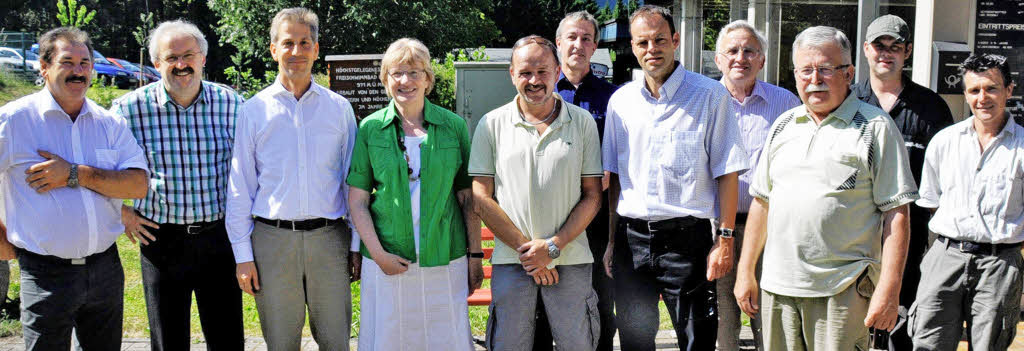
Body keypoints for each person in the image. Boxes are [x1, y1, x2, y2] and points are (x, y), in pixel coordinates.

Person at [733, 26, 918, 350]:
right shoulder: (784, 125)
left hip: (842, 292)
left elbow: (897, 215)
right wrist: (746, 271)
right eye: (806, 70)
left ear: (848, 73)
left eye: (825, 69)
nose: (814, 79)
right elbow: (762, 202)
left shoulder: (875, 127)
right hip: (779, 289)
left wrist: (889, 291)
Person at [602, 5, 748, 350]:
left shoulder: (710, 96)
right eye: (643, 42)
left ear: (676, 40)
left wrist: (724, 240)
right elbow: (616, 180)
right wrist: (611, 242)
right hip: (631, 239)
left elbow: (728, 172)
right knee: (635, 340)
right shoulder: (620, 102)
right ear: (633, 48)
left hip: (687, 241)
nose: (651, 49)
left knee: (696, 340)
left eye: (659, 40)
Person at [0, 27, 149, 350]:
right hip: (45, 273)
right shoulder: (14, 121)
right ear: (44, 67)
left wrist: (73, 174)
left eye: (85, 63)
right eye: (68, 62)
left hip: (105, 269)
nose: (79, 71)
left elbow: (138, 183)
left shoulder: (109, 123)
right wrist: (1, 238)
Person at [226, 7, 360, 350]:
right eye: (288, 43)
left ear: (316, 50)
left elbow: (352, 182)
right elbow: (241, 185)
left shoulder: (339, 108)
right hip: (272, 241)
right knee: (281, 343)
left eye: (304, 43)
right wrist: (243, 255)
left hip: (330, 240)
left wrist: (356, 245)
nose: (296, 52)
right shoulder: (253, 110)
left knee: (336, 341)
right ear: (273, 49)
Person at [111, 19, 246, 351]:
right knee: (168, 338)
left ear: (203, 58)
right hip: (161, 240)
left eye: (189, 55)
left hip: (219, 238)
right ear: (157, 63)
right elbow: (101, 168)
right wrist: (122, 212)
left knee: (227, 336)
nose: (181, 64)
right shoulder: (127, 110)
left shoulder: (232, 105)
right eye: (171, 57)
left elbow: (253, 168)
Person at [347, 37, 483, 351]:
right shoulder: (369, 129)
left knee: (444, 337)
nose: (405, 80)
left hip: (445, 258)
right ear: (385, 79)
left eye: (414, 72)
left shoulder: (454, 127)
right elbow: (358, 200)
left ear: (428, 79)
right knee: (389, 337)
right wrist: (378, 255)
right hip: (388, 259)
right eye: (396, 73)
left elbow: (467, 197)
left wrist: (474, 255)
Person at [470, 35, 603, 351]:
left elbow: (593, 195)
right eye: (525, 72)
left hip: (571, 259)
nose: (534, 80)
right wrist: (529, 253)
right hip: (512, 260)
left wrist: (553, 247)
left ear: (557, 71)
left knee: (578, 345)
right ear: (512, 74)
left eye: (543, 71)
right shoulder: (491, 124)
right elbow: (480, 196)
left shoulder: (581, 122)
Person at [851, 14, 955, 349]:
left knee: (900, 328)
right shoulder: (847, 102)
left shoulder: (932, 108)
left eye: (895, 46)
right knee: (851, 326)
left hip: (908, 239)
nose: (886, 53)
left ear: (908, 51)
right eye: (879, 46)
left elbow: (945, 178)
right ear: (866, 49)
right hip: (852, 238)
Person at [911, 53, 1023, 351]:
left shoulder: (1022, 147)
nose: (982, 97)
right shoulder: (944, 142)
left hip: (999, 263)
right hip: (945, 257)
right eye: (974, 90)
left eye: (992, 88)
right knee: (928, 343)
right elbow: (932, 201)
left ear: (1009, 90)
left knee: (990, 345)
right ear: (965, 94)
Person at [711, 19, 800, 351]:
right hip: (715, 226)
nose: (740, 57)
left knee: (767, 313)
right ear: (718, 59)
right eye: (732, 50)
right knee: (723, 318)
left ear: (762, 60)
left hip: (770, 227)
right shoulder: (703, 100)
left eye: (750, 50)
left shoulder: (787, 104)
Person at [544, 10, 620, 351]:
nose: (578, 44)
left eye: (586, 38)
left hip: (598, 216)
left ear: (596, 46)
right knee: (546, 295)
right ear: (558, 43)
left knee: (600, 298)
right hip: (549, 214)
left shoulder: (614, 98)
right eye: (572, 37)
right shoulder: (540, 92)